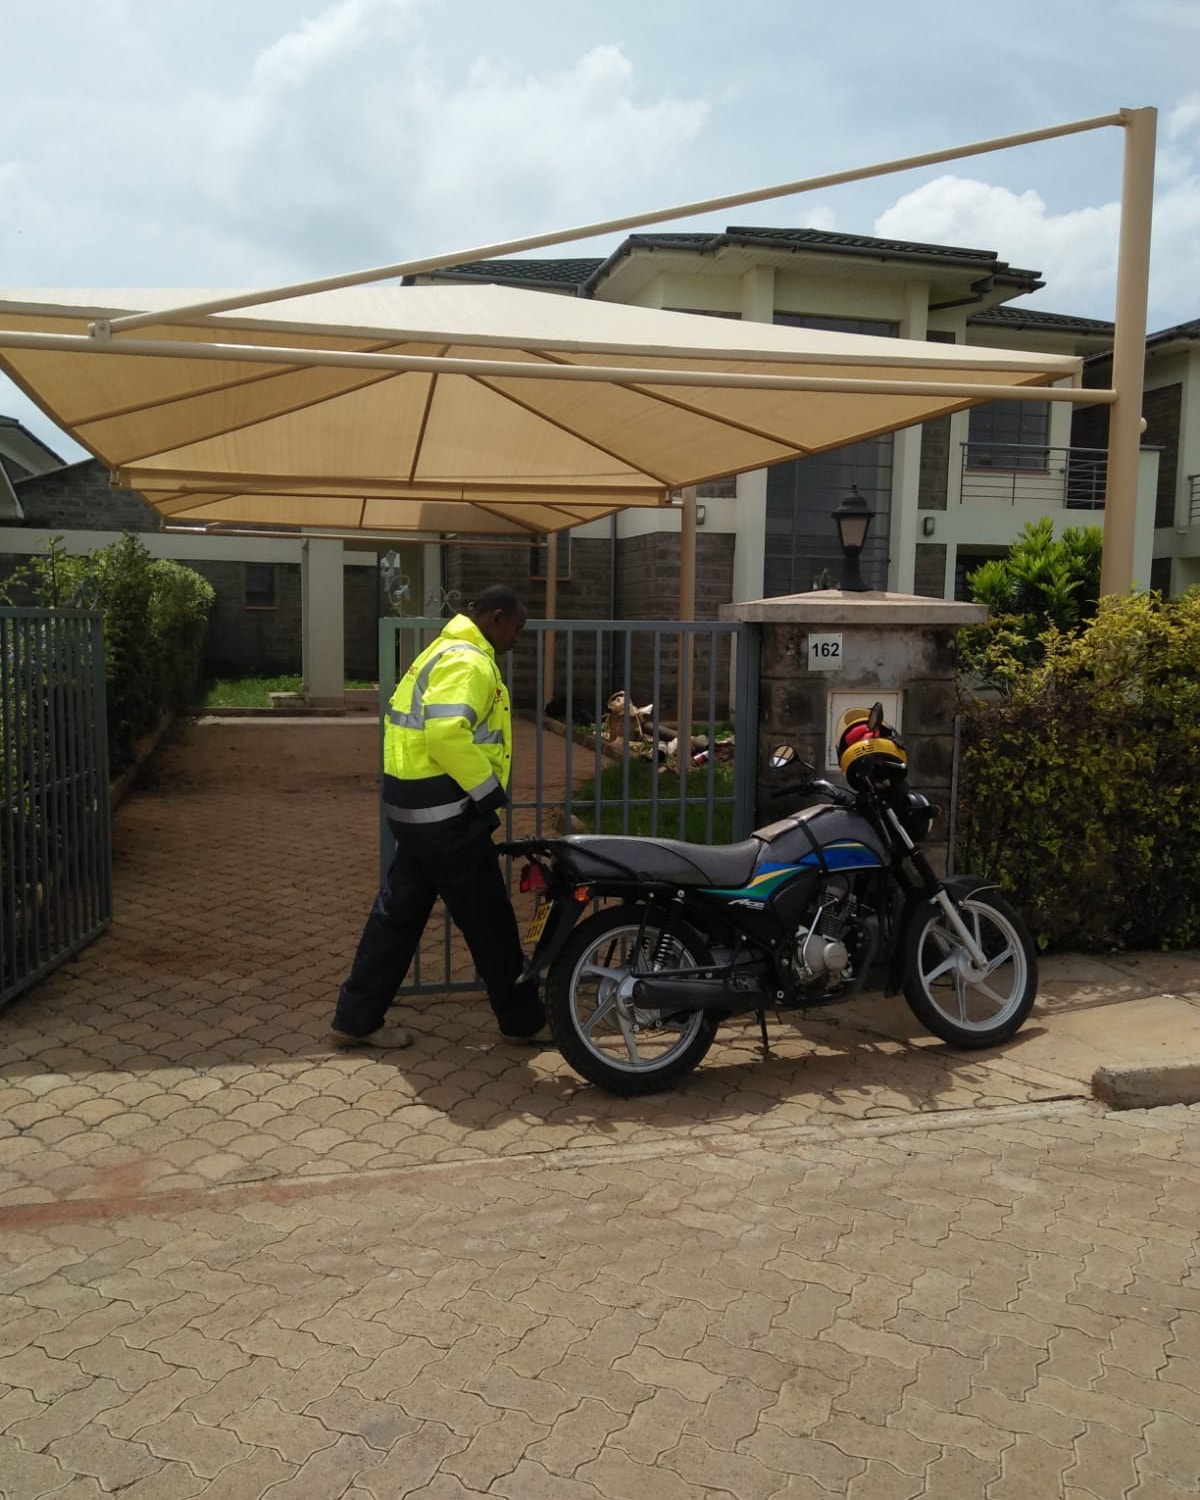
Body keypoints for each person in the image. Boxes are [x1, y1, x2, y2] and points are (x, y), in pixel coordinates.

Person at [329, 585, 546, 1049]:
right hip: (448, 818)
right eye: (518, 626)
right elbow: (447, 733)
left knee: (397, 915)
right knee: (489, 921)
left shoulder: (440, 650)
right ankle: (523, 1021)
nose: (518, 638)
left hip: (415, 811)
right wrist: (488, 792)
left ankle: (357, 1018)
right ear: (496, 617)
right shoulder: (469, 660)